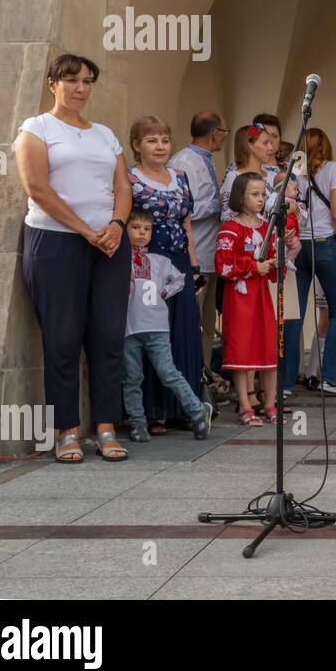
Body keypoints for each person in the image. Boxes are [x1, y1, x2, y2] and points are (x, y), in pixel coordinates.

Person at [14, 54, 132, 463]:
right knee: (62, 338)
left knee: (108, 337)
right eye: (71, 80)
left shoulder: (105, 134)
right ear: (52, 84)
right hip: (56, 242)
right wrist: (87, 231)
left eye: (87, 81)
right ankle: (67, 430)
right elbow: (37, 188)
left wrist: (117, 224)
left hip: (111, 245)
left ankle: (105, 427)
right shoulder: (36, 128)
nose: (81, 88)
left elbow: (122, 185)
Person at [128, 115, 204, 431]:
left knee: (182, 330)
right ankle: (152, 410)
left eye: (164, 139)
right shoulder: (129, 179)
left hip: (178, 263)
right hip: (147, 263)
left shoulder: (181, 176)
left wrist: (195, 265)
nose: (160, 146)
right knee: (149, 333)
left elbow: (186, 223)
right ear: (137, 145)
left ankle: (182, 409)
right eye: (152, 140)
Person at [122, 209, 212, 442]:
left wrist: (165, 291)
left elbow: (180, 279)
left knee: (168, 372)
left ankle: (197, 410)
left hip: (156, 326)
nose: (141, 233)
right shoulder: (120, 261)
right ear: (125, 229)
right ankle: (138, 422)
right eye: (135, 228)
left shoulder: (160, 262)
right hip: (128, 328)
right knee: (132, 377)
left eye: (147, 229)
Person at [216, 173, 296, 425]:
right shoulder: (230, 228)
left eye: (263, 194)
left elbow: (276, 270)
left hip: (261, 297)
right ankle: (245, 405)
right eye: (255, 194)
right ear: (240, 196)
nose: (261, 199)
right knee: (242, 349)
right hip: (240, 298)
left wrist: (283, 249)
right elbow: (223, 265)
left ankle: (271, 403)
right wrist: (252, 266)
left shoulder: (266, 227)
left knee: (268, 348)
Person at [168, 112, 228, 388]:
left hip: (212, 253)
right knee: (192, 321)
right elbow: (182, 209)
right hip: (196, 255)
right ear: (214, 132)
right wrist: (219, 205)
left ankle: (203, 375)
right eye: (223, 131)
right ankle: (189, 376)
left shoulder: (206, 161)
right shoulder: (184, 162)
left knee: (206, 321)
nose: (224, 137)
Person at [294, 128, 336, 394]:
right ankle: (331, 378)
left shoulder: (296, 170)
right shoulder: (334, 168)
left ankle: (285, 383)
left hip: (298, 245)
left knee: (295, 314)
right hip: (325, 243)